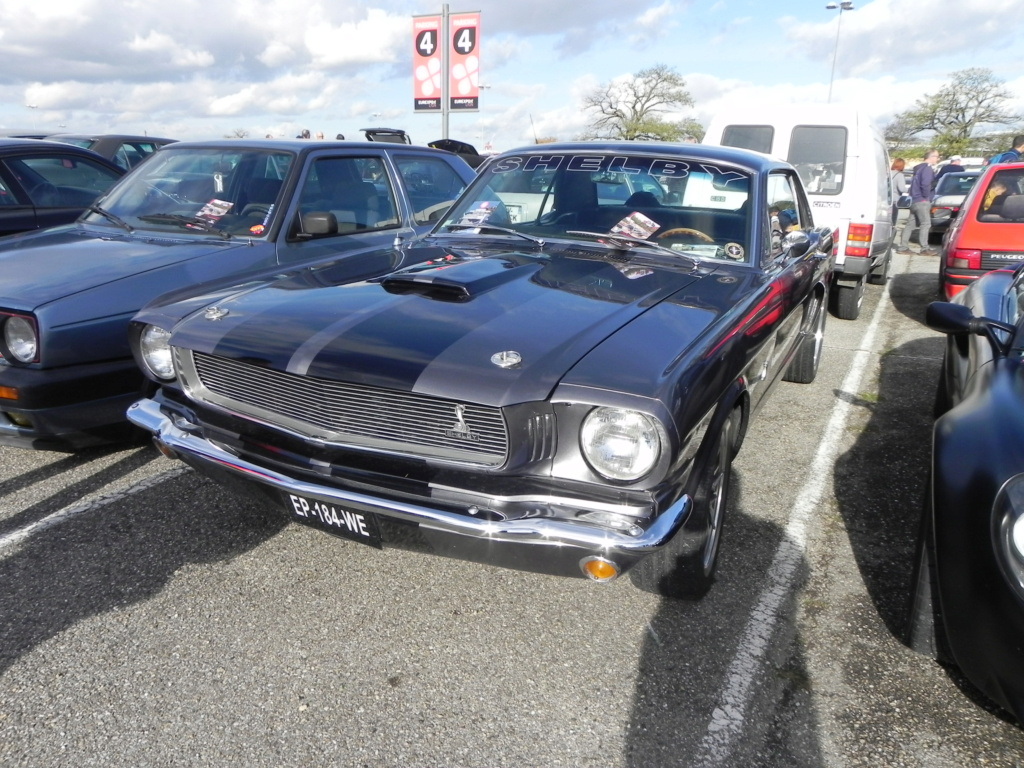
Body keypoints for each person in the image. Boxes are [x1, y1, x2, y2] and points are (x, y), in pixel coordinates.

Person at [898, 150, 940, 255]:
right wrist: (926, 197)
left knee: (910, 224)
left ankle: (903, 247)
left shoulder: (918, 168)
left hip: (914, 199)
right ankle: (924, 248)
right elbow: (925, 184)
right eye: (937, 157)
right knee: (925, 223)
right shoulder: (927, 168)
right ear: (931, 157)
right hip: (922, 200)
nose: (938, 159)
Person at [890, 159, 910, 243]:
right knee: (892, 223)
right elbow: (902, 189)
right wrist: (910, 190)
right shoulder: (899, 175)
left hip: (884, 200)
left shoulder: (888, 173)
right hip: (894, 201)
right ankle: (890, 241)